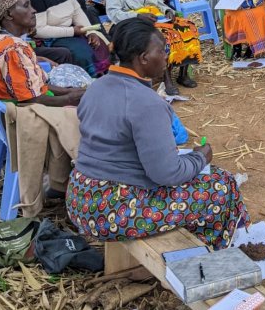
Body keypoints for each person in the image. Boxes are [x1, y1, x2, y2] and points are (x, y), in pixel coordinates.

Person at [66, 17, 249, 249]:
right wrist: (200, 157)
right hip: (112, 210)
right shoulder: (147, 102)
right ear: (143, 59)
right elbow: (166, 174)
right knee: (221, 185)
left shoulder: (95, 87)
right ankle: (209, 255)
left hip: (80, 197)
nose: (166, 56)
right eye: (162, 50)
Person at [106, 0, 200, 93]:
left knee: (188, 28)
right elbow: (114, 14)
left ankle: (183, 73)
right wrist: (137, 16)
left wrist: (168, 11)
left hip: (156, 19)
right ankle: (167, 78)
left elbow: (160, 4)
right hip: (133, 25)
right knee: (164, 36)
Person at [0, 0, 85, 106]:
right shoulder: (12, 48)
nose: (33, 10)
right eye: (26, 6)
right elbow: (31, 100)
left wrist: (68, 91)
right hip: (25, 113)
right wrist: (70, 98)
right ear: (8, 14)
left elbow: (31, 85)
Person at [24, 0, 110, 77]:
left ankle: (105, 76)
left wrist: (89, 31)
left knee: (99, 43)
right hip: (52, 38)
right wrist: (72, 31)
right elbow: (40, 29)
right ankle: (89, 81)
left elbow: (77, 11)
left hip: (73, 31)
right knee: (81, 51)